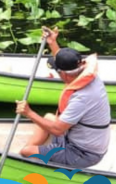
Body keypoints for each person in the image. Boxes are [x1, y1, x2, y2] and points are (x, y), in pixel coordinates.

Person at [15, 27, 111, 168]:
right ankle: (37, 158)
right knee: (48, 117)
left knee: (26, 151)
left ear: (64, 75)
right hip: (77, 139)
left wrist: (28, 113)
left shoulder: (82, 98)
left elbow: (58, 130)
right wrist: (52, 43)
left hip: (83, 153)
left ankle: (30, 159)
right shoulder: (89, 75)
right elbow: (65, 61)